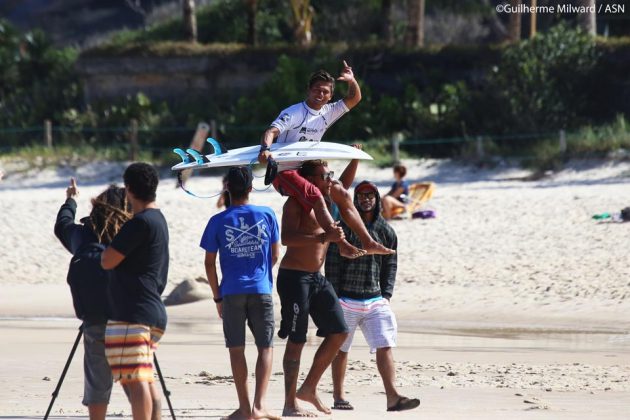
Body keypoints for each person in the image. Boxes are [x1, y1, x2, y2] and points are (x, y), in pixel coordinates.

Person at [258, 60, 394, 259]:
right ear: (309, 90)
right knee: (315, 193)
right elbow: (271, 131)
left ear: (330, 95)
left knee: (341, 191)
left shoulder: (328, 112)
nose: (321, 95)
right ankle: (342, 244)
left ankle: (368, 241)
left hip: (308, 168)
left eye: (325, 92)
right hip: (283, 171)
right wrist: (265, 149)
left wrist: (351, 79)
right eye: (317, 90)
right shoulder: (294, 112)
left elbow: (354, 97)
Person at [325, 181, 420, 412]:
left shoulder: (386, 231)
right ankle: (338, 396)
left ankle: (393, 397)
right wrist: (334, 296)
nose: (366, 199)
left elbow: (391, 265)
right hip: (346, 298)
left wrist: (387, 294)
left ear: (377, 199)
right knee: (341, 349)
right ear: (355, 200)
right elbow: (333, 263)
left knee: (385, 344)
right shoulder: (345, 228)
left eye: (370, 195)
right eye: (361, 195)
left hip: (376, 299)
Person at [200, 166, 281, 420]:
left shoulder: (217, 221)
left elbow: (209, 264)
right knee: (265, 347)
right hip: (261, 289)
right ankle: (259, 406)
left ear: (227, 189)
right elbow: (275, 255)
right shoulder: (267, 214)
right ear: (250, 188)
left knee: (236, 349)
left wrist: (217, 297)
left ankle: (245, 409)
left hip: (232, 291)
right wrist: (259, 272)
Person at [276, 159, 351, 417]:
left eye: (329, 174)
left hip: (316, 278)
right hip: (294, 278)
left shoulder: (326, 206)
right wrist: (322, 237)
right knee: (297, 339)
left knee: (340, 331)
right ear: (308, 181)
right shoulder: (295, 204)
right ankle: (289, 403)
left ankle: (308, 387)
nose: (328, 179)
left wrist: (346, 246)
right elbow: (286, 238)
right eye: (323, 175)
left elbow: (346, 187)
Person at [54, 178, 131, 420]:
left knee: (97, 380)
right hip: (127, 316)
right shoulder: (130, 233)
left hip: (94, 316)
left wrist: (71, 200)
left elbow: (62, 225)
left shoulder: (83, 236)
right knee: (137, 382)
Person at [101, 162, 169, 420]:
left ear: (129, 190)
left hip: (134, 311)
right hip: (151, 309)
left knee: (134, 378)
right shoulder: (158, 219)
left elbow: (107, 260)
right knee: (144, 375)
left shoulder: (139, 223)